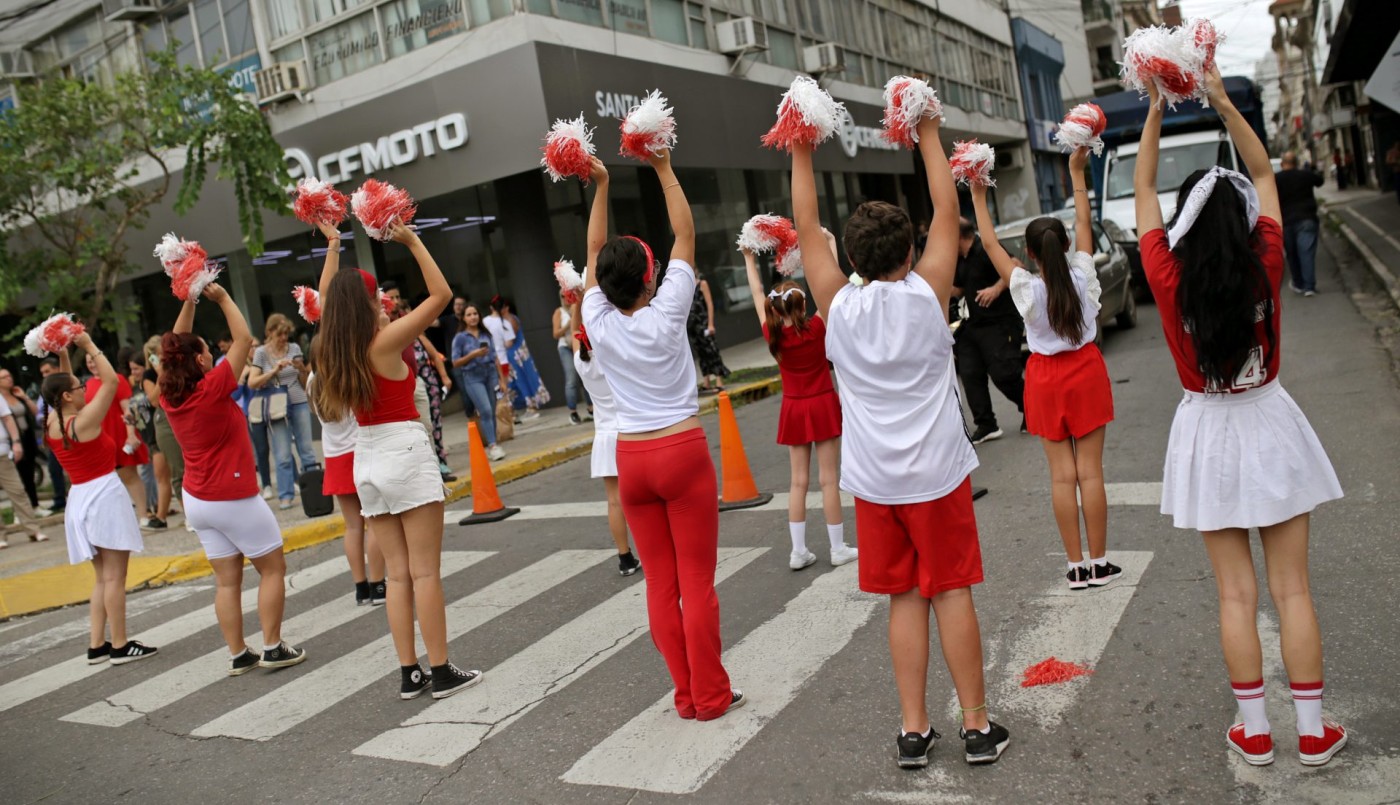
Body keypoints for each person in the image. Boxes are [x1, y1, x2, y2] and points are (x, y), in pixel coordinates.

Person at [1134, 68, 1347, 767]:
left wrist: (1157, 113)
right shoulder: (1267, 258)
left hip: (1209, 431)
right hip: (1271, 420)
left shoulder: (1168, 277)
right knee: (1293, 589)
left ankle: (1254, 730)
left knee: (1235, 593)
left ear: (1189, 227)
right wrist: (1221, 99)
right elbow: (1261, 169)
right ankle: (1313, 731)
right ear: (1245, 222)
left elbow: (1141, 194)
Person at [790, 112, 1009, 767]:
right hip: (937, 474)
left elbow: (804, 228)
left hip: (874, 480)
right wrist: (926, 129)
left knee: (903, 599)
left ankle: (914, 729)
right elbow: (946, 205)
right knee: (953, 592)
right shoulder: (927, 293)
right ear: (910, 252)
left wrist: (802, 146)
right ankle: (976, 725)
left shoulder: (837, 305)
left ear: (850, 259)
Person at [581, 152, 744, 722]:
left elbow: (592, 251)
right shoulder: (671, 306)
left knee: (660, 585)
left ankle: (684, 695)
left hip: (633, 458)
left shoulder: (596, 319)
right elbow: (684, 232)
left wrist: (599, 184)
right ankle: (712, 693)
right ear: (649, 277)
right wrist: (664, 165)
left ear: (602, 284)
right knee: (697, 582)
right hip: (680, 448)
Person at [314, 220, 481, 700]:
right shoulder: (383, 343)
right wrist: (410, 240)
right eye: (376, 299)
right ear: (366, 304)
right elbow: (441, 295)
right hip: (402, 450)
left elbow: (328, 300)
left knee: (397, 575)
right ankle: (443, 669)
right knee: (426, 572)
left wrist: (332, 246)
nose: (383, 303)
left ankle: (409, 672)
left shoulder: (331, 346)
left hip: (363, 459)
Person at [971, 147, 1120, 591]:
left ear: (1031, 254)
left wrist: (979, 195)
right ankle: (1100, 563)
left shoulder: (1024, 288)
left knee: (1061, 476)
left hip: (1044, 377)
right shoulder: (1083, 273)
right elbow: (1084, 223)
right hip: (1086, 371)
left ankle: (1075, 568)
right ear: (1066, 247)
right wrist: (1077, 171)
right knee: (1090, 473)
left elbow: (990, 243)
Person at [162, 283, 307, 675]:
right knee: (273, 569)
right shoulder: (211, 388)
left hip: (198, 499)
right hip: (232, 494)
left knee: (227, 582)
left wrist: (189, 298)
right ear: (200, 362)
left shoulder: (169, 394)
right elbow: (244, 338)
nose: (214, 352)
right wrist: (224, 298)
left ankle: (239, 653)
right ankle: (273, 647)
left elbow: (174, 346)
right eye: (207, 350)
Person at [740, 238, 857, 571]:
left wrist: (749, 256)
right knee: (828, 480)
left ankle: (798, 551)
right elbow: (831, 284)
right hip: (821, 402)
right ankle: (837, 547)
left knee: (797, 483)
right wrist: (829, 244)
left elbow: (756, 291)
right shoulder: (818, 327)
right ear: (802, 306)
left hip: (794, 407)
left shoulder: (772, 335)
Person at [41, 332, 157, 663]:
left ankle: (97, 645)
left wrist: (64, 354)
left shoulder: (53, 421)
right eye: (78, 388)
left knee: (101, 576)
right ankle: (120, 644)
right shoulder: (85, 421)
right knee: (114, 577)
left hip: (80, 497)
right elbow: (109, 381)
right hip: (103, 495)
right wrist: (89, 345)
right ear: (66, 396)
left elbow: (67, 385)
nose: (83, 390)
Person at [307, 334, 386, 606]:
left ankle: (361, 587)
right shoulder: (347, 377)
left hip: (334, 458)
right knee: (374, 521)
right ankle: (378, 585)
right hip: (360, 452)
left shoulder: (311, 383)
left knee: (352, 527)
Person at [568, 295, 640, 577]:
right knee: (640, 498)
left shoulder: (581, 362)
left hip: (604, 436)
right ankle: (651, 549)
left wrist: (576, 302)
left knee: (614, 501)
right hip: (628, 432)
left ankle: (625, 557)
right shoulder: (614, 356)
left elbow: (574, 333)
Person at [953, 217, 1026, 443]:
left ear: (959, 237)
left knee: (1004, 373)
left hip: (999, 322)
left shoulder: (985, 248)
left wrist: (996, 289)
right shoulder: (957, 259)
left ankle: (1032, 408)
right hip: (971, 325)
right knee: (970, 373)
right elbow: (959, 288)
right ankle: (986, 424)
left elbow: (1017, 267)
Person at [85, 349, 151, 527]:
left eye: (93, 360)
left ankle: (143, 515)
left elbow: (127, 410)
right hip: (100, 437)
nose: (91, 364)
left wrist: (130, 434)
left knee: (129, 476)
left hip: (119, 433)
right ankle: (122, 520)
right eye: (88, 362)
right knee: (109, 481)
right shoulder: (89, 384)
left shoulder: (116, 379)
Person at [451, 303, 507, 461]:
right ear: (463, 318)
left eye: (475, 313)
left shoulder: (486, 334)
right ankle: (492, 446)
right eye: (468, 314)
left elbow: (496, 358)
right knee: (486, 410)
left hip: (490, 374)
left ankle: (494, 442)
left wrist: (502, 380)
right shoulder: (460, 338)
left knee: (492, 409)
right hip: (472, 376)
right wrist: (473, 354)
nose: (473, 317)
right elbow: (455, 362)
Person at [0, 380, 48, 548]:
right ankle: (1, 536)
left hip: (2, 452)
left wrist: (16, 441)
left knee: (18, 490)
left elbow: (7, 419)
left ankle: (33, 529)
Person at [143, 335, 185, 521]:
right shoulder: (150, 375)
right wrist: (161, 374)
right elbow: (153, 400)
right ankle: (188, 513)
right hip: (164, 419)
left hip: (183, 414)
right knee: (178, 469)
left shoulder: (178, 367)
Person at [1275, 151, 1324, 297]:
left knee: (1292, 253)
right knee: (1306, 252)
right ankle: (1309, 287)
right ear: (1296, 163)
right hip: (1307, 218)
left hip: (1286, 221)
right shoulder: (1305, 174)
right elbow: (1320, 181)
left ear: (1283, 164)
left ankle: (1298, 283)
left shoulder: (1276, 179)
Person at [0, 366, 45, 513]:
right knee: (17, 477)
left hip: (27, 437)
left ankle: (35, 505)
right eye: (4, 377)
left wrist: (24, 397)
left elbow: (36, 412)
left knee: (29, 471)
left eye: (9, 376)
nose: (9, 379)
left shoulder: (17, 395)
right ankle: (20, 511)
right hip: (12, 441)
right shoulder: (1, 400)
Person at [499, 296, 549, 417]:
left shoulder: (510, 319)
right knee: (515, 380)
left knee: (523, 378)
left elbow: (511, 338)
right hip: (512, 355)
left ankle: (531, 405)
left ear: (506, 308)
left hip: (518, 354)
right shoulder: (504, 320)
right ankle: (521, 406)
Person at [36, 356, 69, 513]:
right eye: (42, 372)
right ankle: (60, 499)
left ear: (57, 369)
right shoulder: (44, 391)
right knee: (54, 468)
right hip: (54, 434)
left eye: (47, 371)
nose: (44, 375)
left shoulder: (67, 386)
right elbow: (38, 413)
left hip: (71, 431)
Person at [553, 292, 592, 424]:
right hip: (565, 346)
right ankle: (573, 412)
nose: (565, 298)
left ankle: (591, 408)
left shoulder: (577, 307)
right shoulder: (559, 312)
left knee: (585, 374)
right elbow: (556, 333)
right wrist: (569, 324)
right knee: (571, 378)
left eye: (567, 295)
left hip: (579, 344)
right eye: (562, 296)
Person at [686, 276, 729, 392]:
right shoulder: (686, 286)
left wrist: (710, 324)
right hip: (692, 326)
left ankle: (719, 380)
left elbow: (709, 304)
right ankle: (707, 382)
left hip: (703, 322)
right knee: (701, 353)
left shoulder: (702, 284)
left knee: (711, 350)